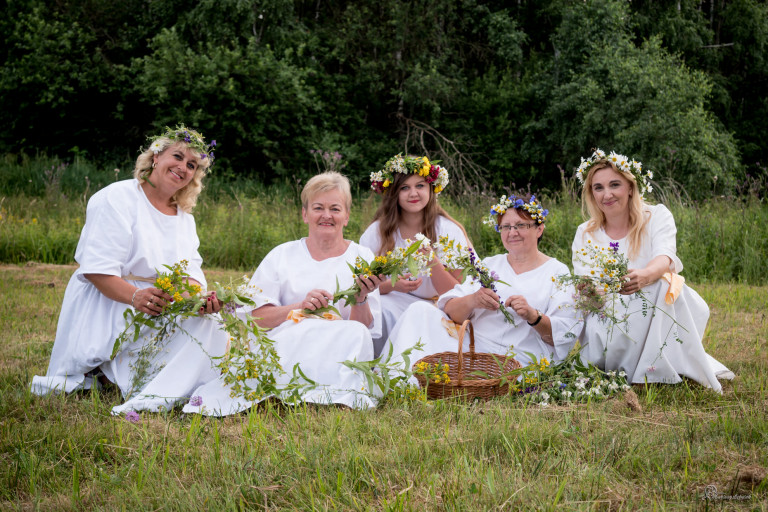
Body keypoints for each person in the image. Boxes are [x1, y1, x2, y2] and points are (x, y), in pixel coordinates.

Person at [31, 125, 226, 414]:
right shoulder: (117, 198)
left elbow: (190, 274)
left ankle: (168, 386)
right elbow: (97, 270)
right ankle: (108, 371)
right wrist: (137, 297)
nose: (182, 167)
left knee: (213, 325)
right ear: (156, 157)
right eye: (177, 156)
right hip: (112, 299)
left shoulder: (184, 218)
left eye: (191, 165)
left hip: (161, 301)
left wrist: (199, 300)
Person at [184, 172, 385, 415]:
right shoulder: (282, 254)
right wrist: (300, 307)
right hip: (291, 340)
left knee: (355, 333)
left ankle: (328, 393)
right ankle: (288, 388)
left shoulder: (362, 257)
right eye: (318, 207)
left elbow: (363, 330)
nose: (326, 215)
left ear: (347, 216)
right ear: (304, 214)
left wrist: (360, 298)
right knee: (304, 329)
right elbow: (256, 318)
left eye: (335, 208)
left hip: (337, 344)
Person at [572, 149, 734, 391]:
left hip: (654, 297)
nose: (607, 194)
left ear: (630, 187)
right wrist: (590, 292)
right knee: (632, 299)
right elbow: (588, 282)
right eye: (598, 188)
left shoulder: (656, 215)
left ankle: (649, 373)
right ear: (590, 193)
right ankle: (631, 367)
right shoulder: (585, 232)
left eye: (614, 184)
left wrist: (645, 276)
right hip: (610, 309)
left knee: (662, 284)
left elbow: (665, 257)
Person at [382, 194, 582, 371]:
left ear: (539, 229)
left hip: (520, 358)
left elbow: (564, 334)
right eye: (505, 227)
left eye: (521, 225)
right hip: (474, 351)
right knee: (420, 310)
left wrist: (533, 316)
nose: (512, 233)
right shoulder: (489, 265)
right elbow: (450, 310)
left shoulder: (557, 272)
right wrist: (473, 301)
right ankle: (395, 379)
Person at [361, 154, 470, 356]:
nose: (413, 193)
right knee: (380, 307)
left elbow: (459, 291)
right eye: (404, 188)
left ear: (430, 189)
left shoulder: (447, 230)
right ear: (394, 193)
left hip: (438, 306)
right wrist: (392, 284)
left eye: (420, 186)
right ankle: (379, 366)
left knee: (419, 312)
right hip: (395, 302)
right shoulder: (377, 232)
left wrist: (432, 261)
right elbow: (363, 285)